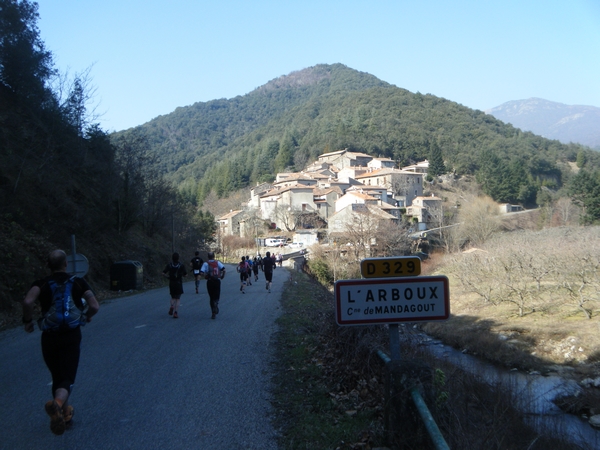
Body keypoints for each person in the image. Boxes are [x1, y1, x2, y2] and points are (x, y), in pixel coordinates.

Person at [21, 249, 99, 435]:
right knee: (67, 377)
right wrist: (86, 317)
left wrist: (28, 321)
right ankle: (56, 405)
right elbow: (94, 305)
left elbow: (27, 302)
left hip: (49, 337)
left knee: (57, 375)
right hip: (71, 335)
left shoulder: (41, 283)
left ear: (48, 266)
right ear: (66, 264)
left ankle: (65, 414)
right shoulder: (78, 282)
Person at [200, 252, 226, 319]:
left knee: (211, 297)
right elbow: (224, 269)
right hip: (217, 281)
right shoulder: (218, 263)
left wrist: (205, 275)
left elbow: (201, 273)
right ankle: (216, 303)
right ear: (214, 256)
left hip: (210, 281)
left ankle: (213, 313)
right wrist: (222, 276)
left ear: (208, 257)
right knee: (217, 294)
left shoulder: (205, 264)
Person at [163, 252, 187, 318]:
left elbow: (163, 272)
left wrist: (168, 277)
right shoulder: (181, 265)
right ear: (178, 258)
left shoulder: (169, 265)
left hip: (172, 282)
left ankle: (172, 306)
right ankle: (175, 312)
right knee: (178, 298)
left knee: (173, 297)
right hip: (178, 282)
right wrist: (182, 275)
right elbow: (185, 274)